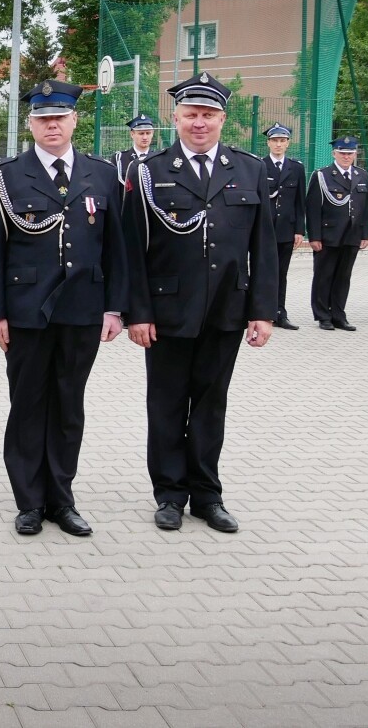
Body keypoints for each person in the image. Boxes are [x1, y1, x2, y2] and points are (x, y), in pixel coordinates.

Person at [123, 72, 276, 533]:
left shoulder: (249, 169)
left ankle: (208, 496)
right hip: (167, 311)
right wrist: (138, 313)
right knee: (166, 405)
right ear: (176, 118)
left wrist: (262, 311)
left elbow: (263, 248)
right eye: (191, 114)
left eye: (208, 115)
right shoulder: (149, 172)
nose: (200, 123)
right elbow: (132, 250)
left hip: (226, 308)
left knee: (211, 405)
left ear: (222, 119)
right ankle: (170, 495)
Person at [0, 81, 128, 538]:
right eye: (43, 119)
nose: (52, 125)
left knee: (68, 406)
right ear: (30, 124)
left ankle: (61, 499)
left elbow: (116, 249)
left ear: (74, 120)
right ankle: (29, 502)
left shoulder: (101, 174)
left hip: (83, 308)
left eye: (60, 117)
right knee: (27, 404)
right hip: (25, 311)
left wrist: (115, 308)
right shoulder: (4, 177)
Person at [305, 137, 368, 331]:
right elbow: (313, 208)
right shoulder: (322, 175)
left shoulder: (361, 175)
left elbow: (364, 207)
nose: (346, 157)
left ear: (355, 154)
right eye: (342, 153)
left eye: (350, 153)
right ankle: (323, 315)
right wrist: (314, 236)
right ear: (334, 153)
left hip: (352, 234)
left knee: (343, 277)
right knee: (324, 276)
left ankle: (338, 315)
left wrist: (364, 234)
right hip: (329, 234)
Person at [262, 123, 306, 329]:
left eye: (282, 141)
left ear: (288, 143)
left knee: (282, 273)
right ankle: (262, 311)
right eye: (274, 141)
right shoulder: (260, 166)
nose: (278, 144)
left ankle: (280, 313)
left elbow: (300, 202)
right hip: (264, 230)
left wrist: (299, 230)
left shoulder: (296, 168)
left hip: (286, 230)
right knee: (262, 271)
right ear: (268, 143)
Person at [113, 116, 156, 191]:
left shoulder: (158, 158)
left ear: (152, 134)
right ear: (132, 134)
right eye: (141, 133)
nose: (145, 137)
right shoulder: (120, 159)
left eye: (148, 133)